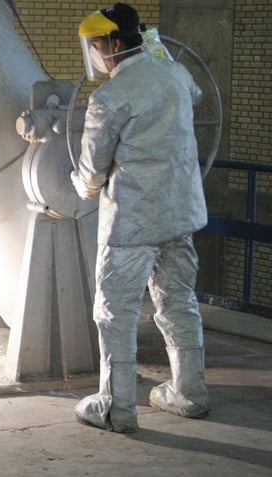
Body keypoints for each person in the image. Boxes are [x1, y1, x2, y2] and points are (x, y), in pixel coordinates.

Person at [70, 3, 211, 433]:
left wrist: (81, 186)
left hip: (132, 222)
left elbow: (93, 171)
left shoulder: (108, 97)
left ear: (113, 44)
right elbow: (195, 95)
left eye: (96, 46)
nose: (94, 55)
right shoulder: (175, 75)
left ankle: (117, 407)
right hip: (180, 214)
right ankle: (189, 394)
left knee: (115, 312)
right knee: (179, 303)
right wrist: (156, 52)